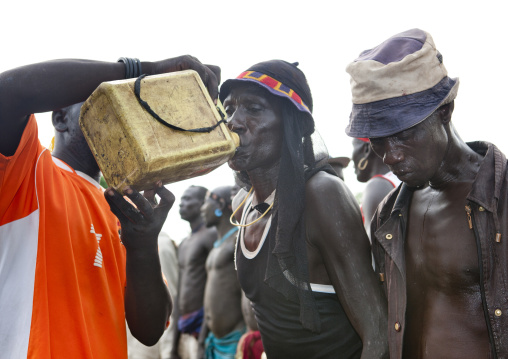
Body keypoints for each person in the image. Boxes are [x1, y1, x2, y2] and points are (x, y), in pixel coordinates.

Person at [0, 56, 220, 358]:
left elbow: (149, 330)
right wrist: (142, 71)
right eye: (98, 99)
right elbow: (8, 93)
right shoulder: (27, 172)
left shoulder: (127, 209)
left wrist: (142, 247)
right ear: (61, 118)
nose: (117, 108)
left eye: (124, 100)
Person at [345, 28, 508, 359]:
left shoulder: (502, 198)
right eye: (378, 140)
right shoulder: (389, 215)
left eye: (402, 134)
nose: (389, 156)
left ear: (444, 112)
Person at [221, 60, 388, 358]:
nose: (234, 121)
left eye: (254, 109)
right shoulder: (243, 206)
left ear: (291, 123)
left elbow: (377, 333)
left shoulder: (321, 195)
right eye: (229, 108)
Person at [198, 186, 244, 359]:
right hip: (214, 341)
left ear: (221, 205)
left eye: (206, 203)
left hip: (235, 340)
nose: (202, 209)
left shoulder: (237, 241)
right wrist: (202, 340)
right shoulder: (216, 247)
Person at [171, 186, 218, 359]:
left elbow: (217, 286)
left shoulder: (211, 235)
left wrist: (202, 339)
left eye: (187, 199)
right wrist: (174, 344)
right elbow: (180, 292)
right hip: (185, 327)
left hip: (205, 329)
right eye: (181, 200)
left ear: (202, 203)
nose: (181, 204)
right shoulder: (184, 243)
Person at [127, 231, 180, 359]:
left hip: (148, 344)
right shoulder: (124, 240)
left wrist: (168, 351)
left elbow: (170, 302)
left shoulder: (161, 245)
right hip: (129, 340)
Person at [351, 137, 401, 237]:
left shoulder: (377, 185)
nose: (352, 159)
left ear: (366, 149)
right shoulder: (399, 180)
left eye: (353, 147)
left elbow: (377, 247)